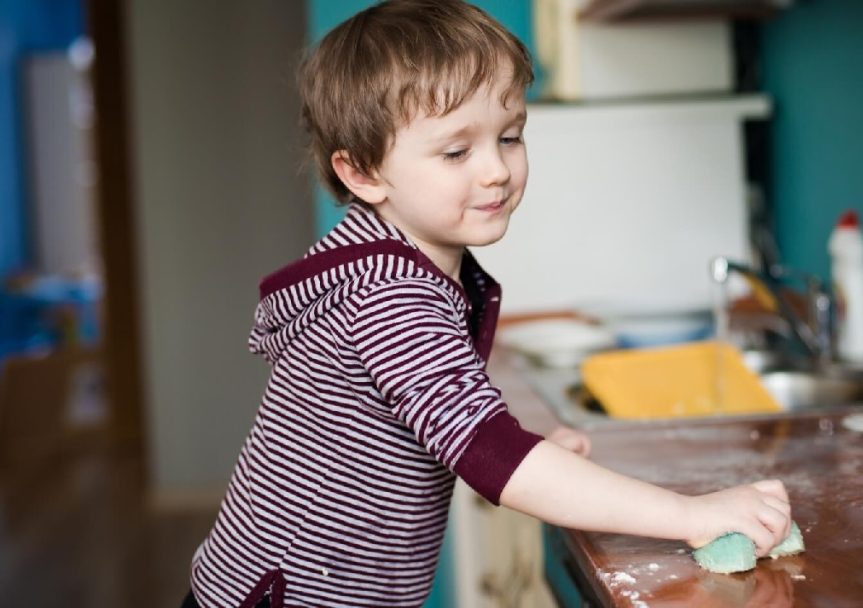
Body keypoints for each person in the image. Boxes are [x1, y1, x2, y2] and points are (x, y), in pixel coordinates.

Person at [183, 1, 792, 606]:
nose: (496, 170)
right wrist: (693, 515)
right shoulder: (387, 294)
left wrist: (521, 451)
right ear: (364, 172)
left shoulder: (400, 266)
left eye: (509, 136)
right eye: (456, 152)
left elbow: (444, 425)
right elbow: (484, 450)